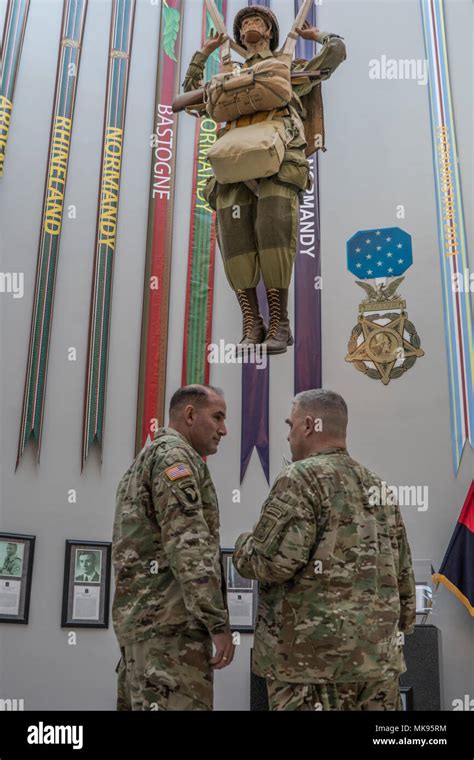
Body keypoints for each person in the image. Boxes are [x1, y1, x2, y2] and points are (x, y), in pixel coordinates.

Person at [233, 389, 416, 711]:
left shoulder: (299, 478)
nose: (288, 435)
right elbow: (403, 575)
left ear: (308, 425)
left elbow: (270, 562)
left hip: (312, 667)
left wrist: (242, 544)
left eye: (290, 424)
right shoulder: (377, 485)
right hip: (377, 664)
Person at [182, 7, 346, 354]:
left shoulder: (291, 69)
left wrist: (314, 37)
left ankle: (279, 324)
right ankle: (251, 323)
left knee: (274, 233)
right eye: (243, 24)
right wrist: (204, 54)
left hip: (278, 161)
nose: (250, 27)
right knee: (235, 241)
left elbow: (336, 53)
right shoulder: (227, 76)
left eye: (257, 22)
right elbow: (189, 96)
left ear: (271, 31)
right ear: (238, 36)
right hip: (232, 164)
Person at [112, 384, 234, 711]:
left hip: (146, 631)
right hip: (170, 635)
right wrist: (217, 623)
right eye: (218, 417)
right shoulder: (175, 458)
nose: (224, 429)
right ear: (190, 414)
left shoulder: (149, 457)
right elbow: (189, 545)